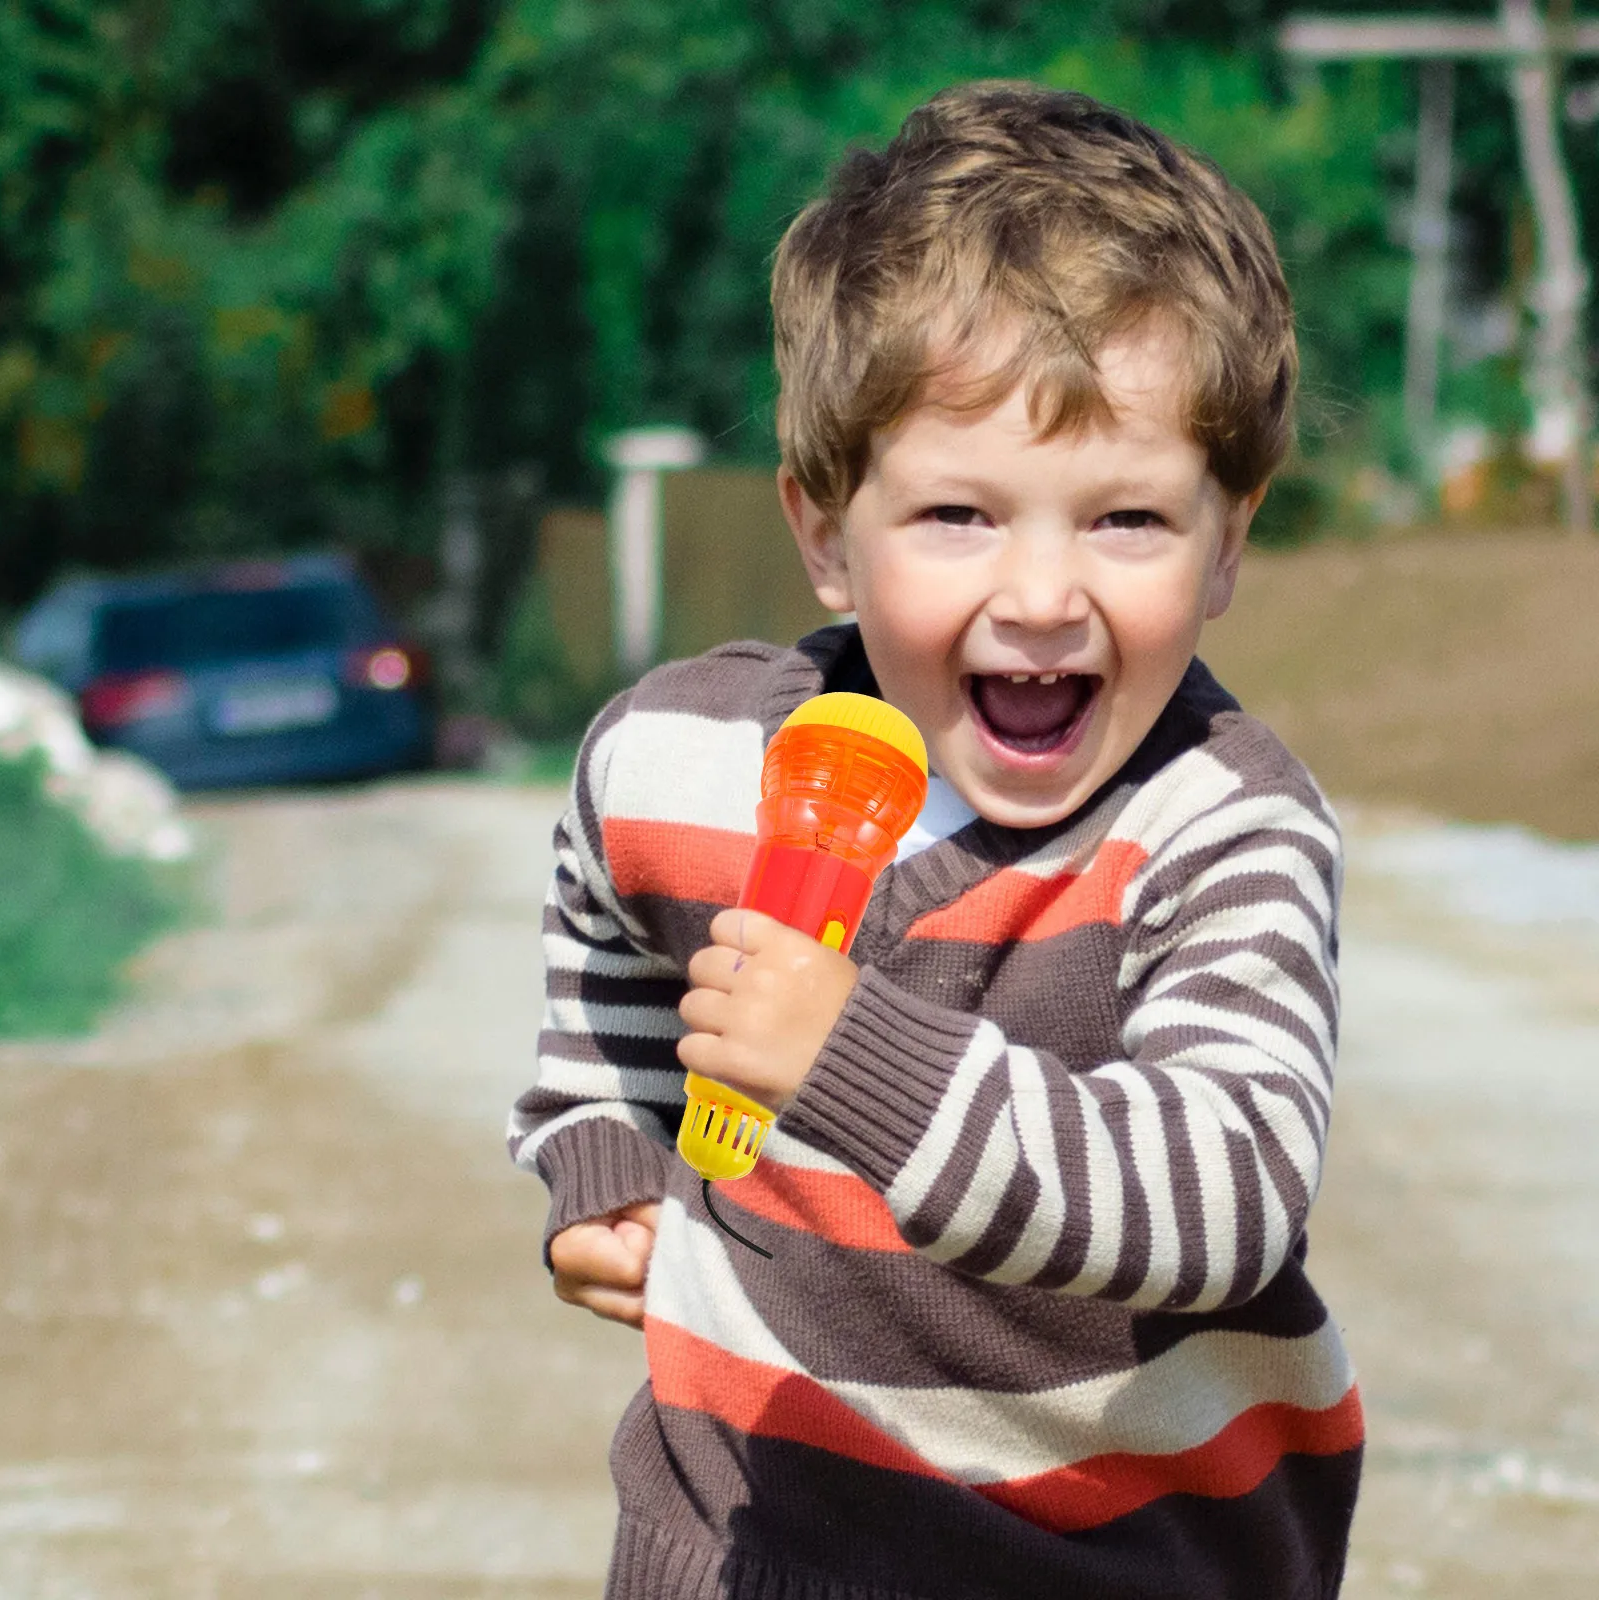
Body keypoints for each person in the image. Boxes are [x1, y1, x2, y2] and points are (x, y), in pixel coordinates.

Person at [510, 80, 1363, 1600]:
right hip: (746, 1544)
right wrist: (609, 1154)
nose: (1042, 594)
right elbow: (603, 923)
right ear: (827, 531)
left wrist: (850, 1055)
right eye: (961, 515)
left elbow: (1223, 1197)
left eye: (1128, 523)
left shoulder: (1219, 831)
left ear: (1229, 542)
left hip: (1127, 1562)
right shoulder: (685, 760)